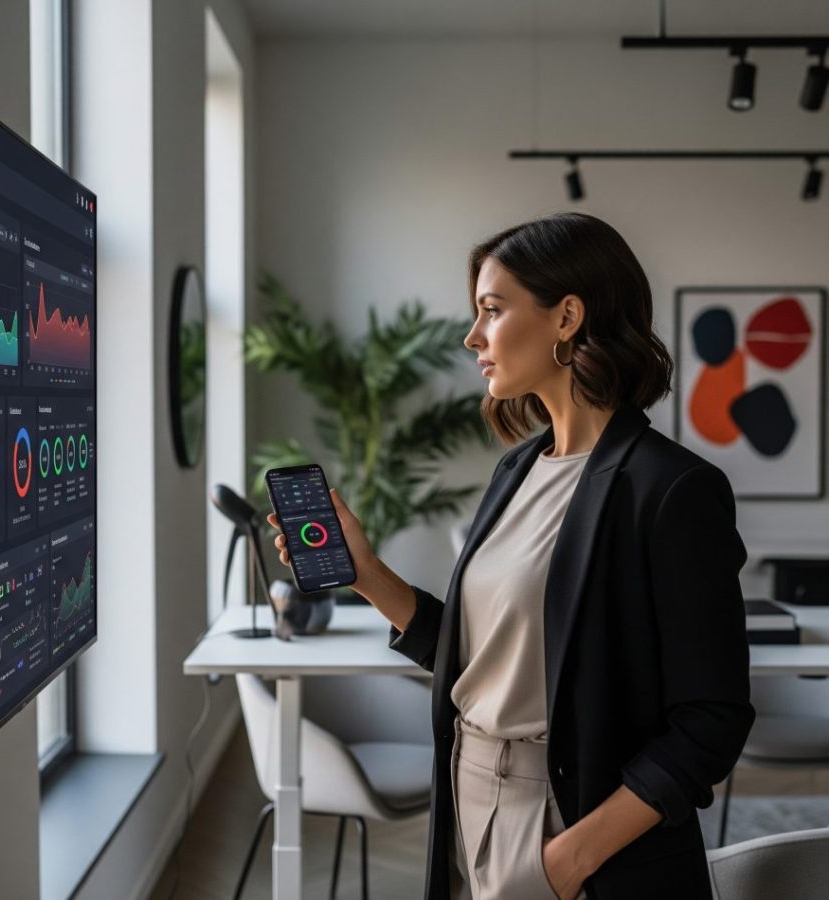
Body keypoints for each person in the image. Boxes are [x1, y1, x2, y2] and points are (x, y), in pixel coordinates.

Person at [267, 212, 754, 900]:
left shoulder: (672, 489)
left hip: (578, 825)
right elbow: (480, 659)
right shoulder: (518, 470)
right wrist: (365, 573)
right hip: (468, 796)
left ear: (567, 318)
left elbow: (713, 718)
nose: (473, 337)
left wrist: (568, 859)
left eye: (492, 311)